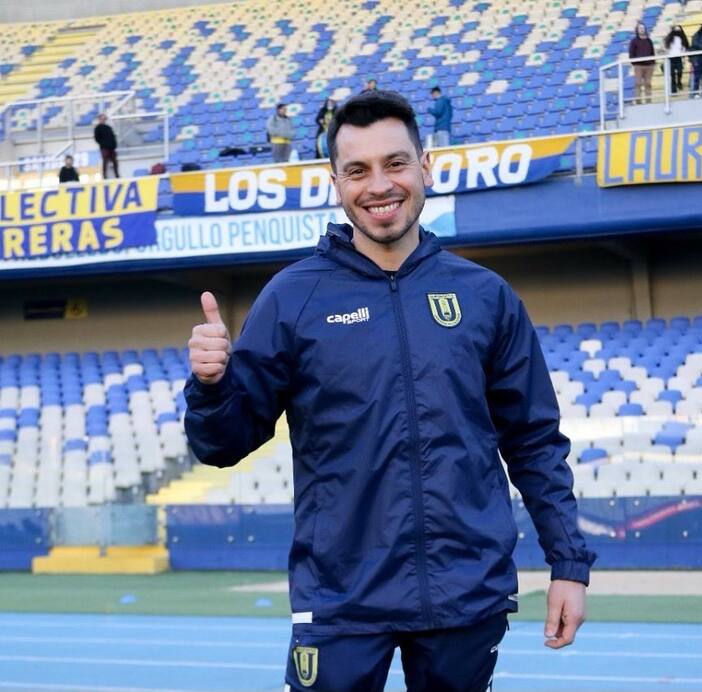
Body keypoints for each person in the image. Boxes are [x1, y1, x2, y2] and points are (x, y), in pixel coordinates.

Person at [184, 90, 595, 691]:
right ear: (336, 182)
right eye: (358, 170)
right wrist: (212, 387)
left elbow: (533, 442)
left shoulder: (485, 295)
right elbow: (222, 443)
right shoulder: (291, 299)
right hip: (341, 598)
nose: (379, 185)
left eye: (395, 163)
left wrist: (568, 564)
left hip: (465, 594)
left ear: (425, 167)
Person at [628, 23, 656, 104]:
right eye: (640, 28)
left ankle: (648, 100)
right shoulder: (634, 41)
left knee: (648, 83)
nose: (642, 29)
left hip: (649, 65)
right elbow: (631, 53)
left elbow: (652, 52)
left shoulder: (648, 40)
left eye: (643, 28)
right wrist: (634, 62)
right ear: (637, 30)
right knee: (638, 83)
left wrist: (653, 62)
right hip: (639, 65)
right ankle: (638, 101)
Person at [664, 25, 690, 93]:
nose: (677, 31)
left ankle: (679, 81)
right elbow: (666, 47)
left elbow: (685, 47)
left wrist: (683, 54)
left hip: (679, 57)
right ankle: (673, 90)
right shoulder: (669, 38)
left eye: (679, 30)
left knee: (679, 71)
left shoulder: (683, 38)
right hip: (671, 57)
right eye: (676, 30)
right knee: (672, 74)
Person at [93, 113, 119, 179]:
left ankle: (116, 174)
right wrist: (103, 144)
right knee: (105, 162)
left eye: (104, 119)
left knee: (115, 161)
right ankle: (104, 176)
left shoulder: (108, 127)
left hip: (111, 148)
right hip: (104, 148)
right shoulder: (97, 128)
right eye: (101, 119)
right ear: (99, 119)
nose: (103, 120)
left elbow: (112, 136)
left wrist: (114, 145)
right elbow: (97, 138)